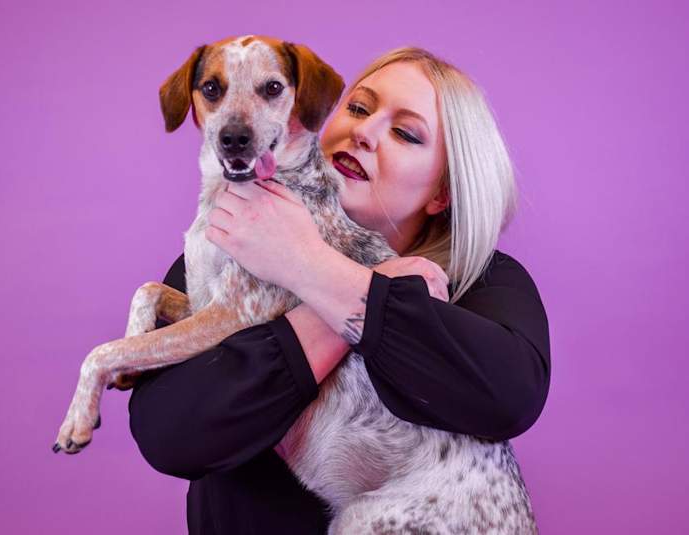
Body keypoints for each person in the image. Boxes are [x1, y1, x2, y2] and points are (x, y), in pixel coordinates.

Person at [128, 46, 550, 534]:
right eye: (359, 108)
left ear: (441, 193)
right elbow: (169, 434)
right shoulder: (227, 254)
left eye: (405, 133)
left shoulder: (485, 280)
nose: (364, 132)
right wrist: (340, 294)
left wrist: (311, 266)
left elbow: (506, 398)